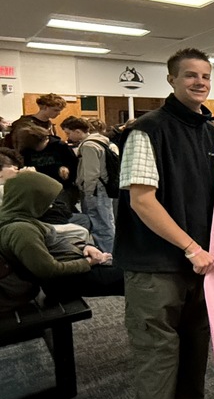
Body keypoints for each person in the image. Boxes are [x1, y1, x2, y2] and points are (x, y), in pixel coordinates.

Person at [115, 47, 214, 399]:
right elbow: (142, 200)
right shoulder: (147, 130)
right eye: (190, 75)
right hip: (157, 262)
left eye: (205, 76)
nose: (199, 82)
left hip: (199, 262)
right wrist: (189, 246)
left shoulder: (210, 133)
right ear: (171, 80)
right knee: (158, 347)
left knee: (195, 339)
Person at [0, 170, 123, 310]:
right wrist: (88, 262)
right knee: (134, 277)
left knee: (129, 271)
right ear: (31, 199)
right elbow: (48, 270)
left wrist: (85, 246)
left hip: (69, 268)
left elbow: (54, 242)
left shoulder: (17, 218)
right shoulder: (21, 230)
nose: (51, 205)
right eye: (46, 200)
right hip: (65, 279)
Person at [75, 117, 119, 254]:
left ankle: (107, 254)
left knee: (100, 222)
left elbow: (91, 172)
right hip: (107, 186)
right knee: (107, 221)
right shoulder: (109, 144)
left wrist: (88, 191)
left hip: (96, 189)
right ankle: (110, 252)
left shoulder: (89, 146)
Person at [2, 93, 66, 146]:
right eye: (55, 110)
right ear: (45, 107)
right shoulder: (24, 124)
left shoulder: (50, 125)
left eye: (59, 111)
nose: (58, 113)